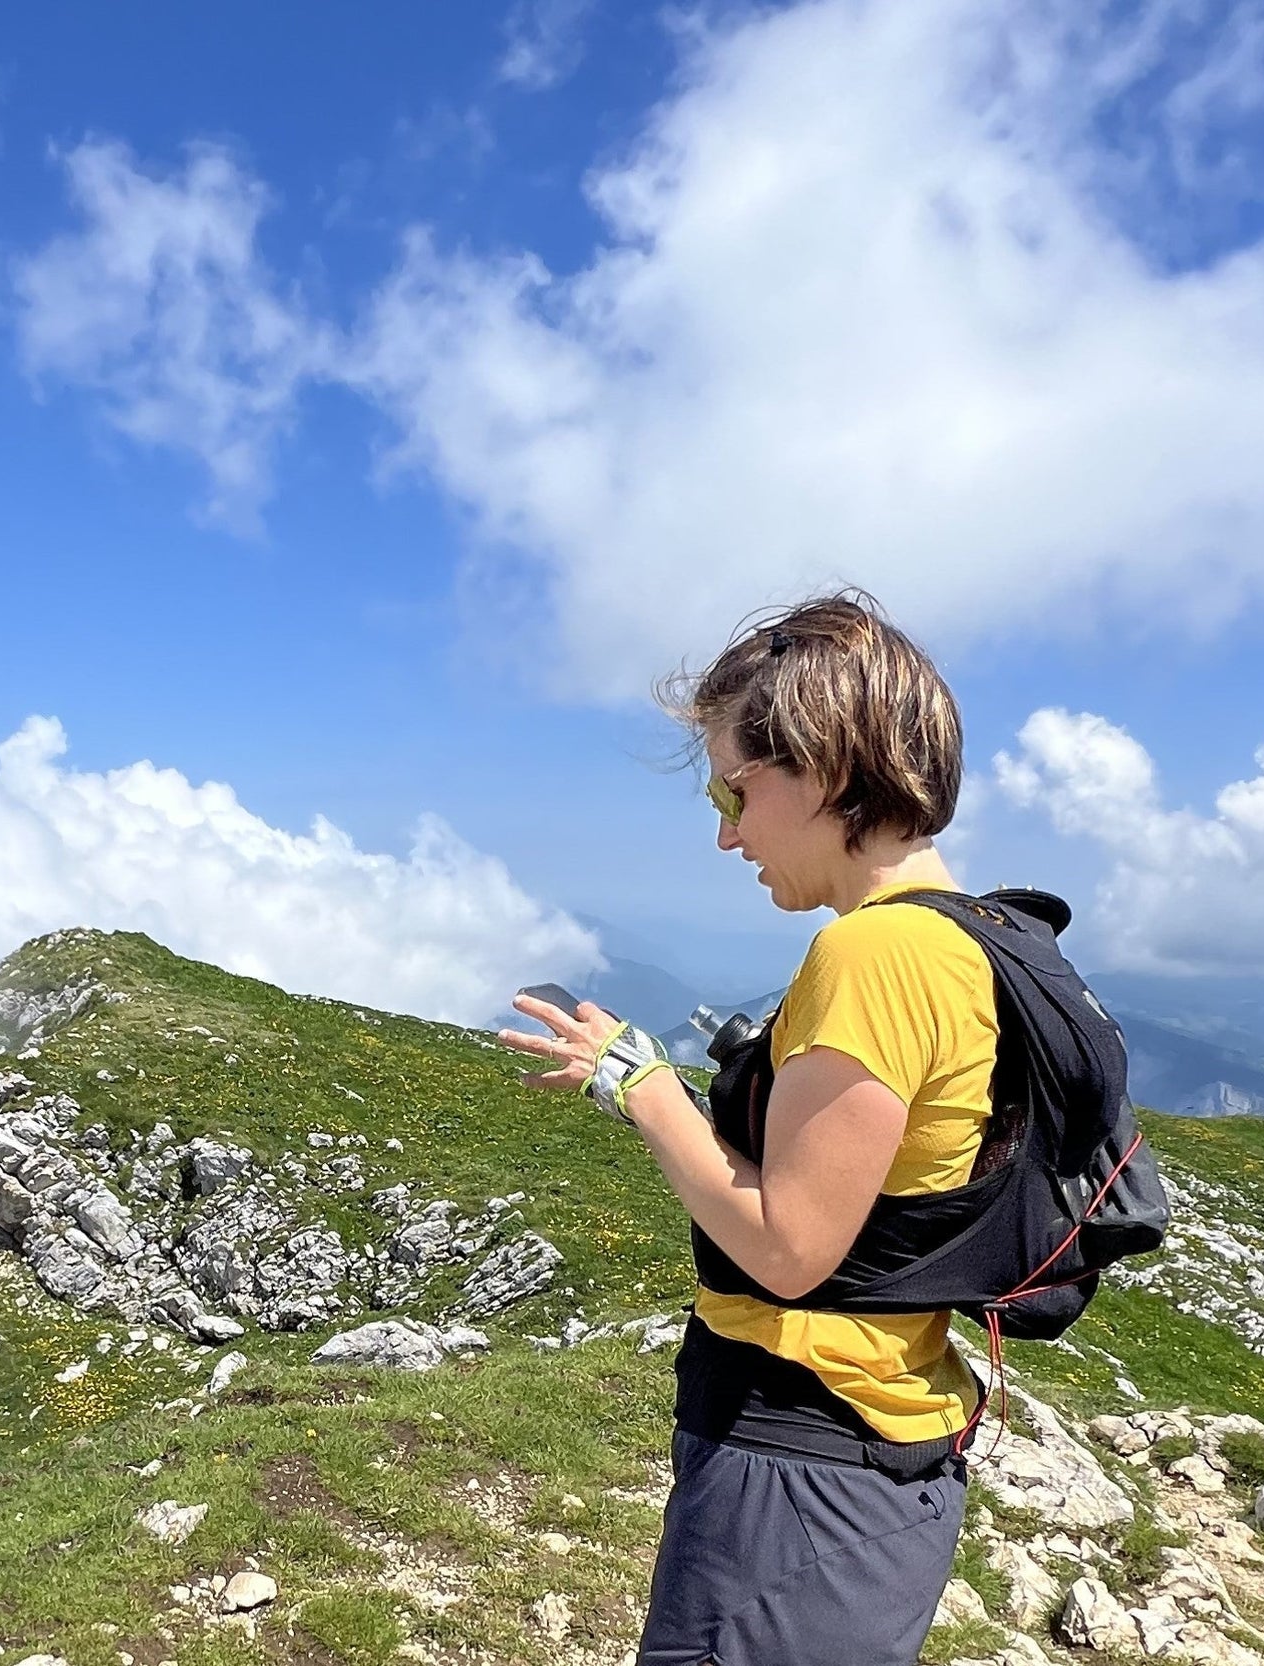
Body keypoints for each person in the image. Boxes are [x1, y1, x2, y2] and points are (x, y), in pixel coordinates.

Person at [499, 592, 989, 1666]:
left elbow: (789, 1246)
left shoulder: (877, 955)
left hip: (801, 1468)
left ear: (821, 768)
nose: (725, 831)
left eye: (733, 787)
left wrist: (640, 1086)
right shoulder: (972, 934)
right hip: (874, 1454)